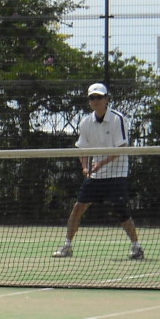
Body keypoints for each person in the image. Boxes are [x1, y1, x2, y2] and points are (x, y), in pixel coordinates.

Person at [52, 82, 144, 260]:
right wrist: (85, 166)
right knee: (78, 207)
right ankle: (67, 246)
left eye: (99, 97)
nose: (95, 100)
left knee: (120, 210)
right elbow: (82, 149)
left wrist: (100, 163)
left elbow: (121, 148)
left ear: (106, 99)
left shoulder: (118, 119)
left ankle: (136, 247)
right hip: (96, 175)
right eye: (92, 98)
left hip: (117, 173)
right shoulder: (86, 122)